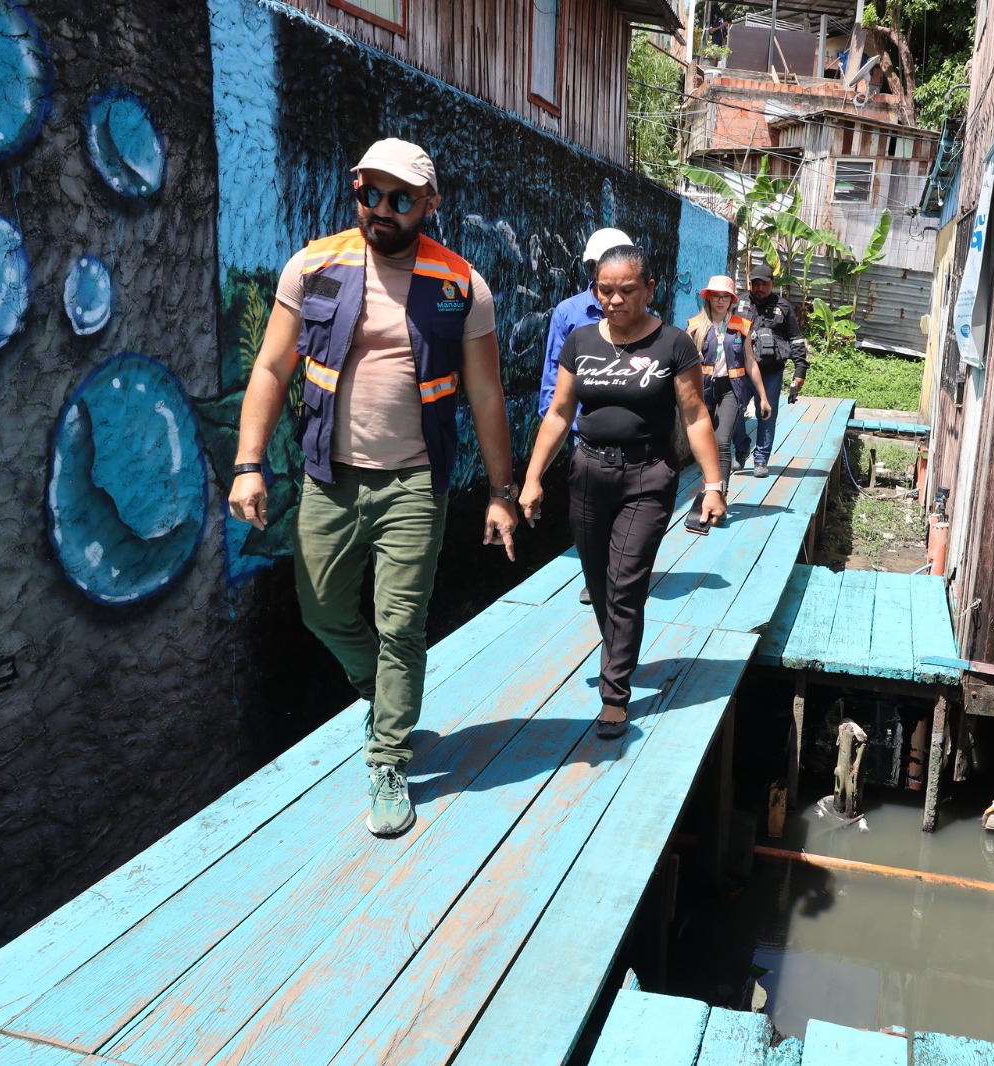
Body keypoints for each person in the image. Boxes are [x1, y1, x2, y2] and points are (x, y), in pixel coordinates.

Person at [229, 137, 519, 838]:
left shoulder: (460, 284)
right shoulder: (313, 266)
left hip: (415, 482)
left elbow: (486, 394)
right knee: (322, 609)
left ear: (430, 204)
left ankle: (389, 756)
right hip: (329, 478)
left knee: (402, 625)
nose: (382, 209)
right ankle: (383, 691)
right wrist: (248, 463)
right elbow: (271, 368)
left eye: (400, 199)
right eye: (371, 193)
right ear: (356, 189)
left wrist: (501, 492)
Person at [520, 245, 725, 738]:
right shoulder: (580, 341)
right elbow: (560, 413)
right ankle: (620, 650)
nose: (615, 300)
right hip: (588, 472)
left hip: (648, 475)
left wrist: (713, 485)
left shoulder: (674, 344)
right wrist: (531, 478)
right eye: (605, 290)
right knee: (598, 583)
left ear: (649, 289)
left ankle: (614, 695)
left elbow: (695, 414)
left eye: (627, 290)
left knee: (624, 584)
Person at [539, 227, 634, 607]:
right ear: (592, 268)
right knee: (589, 507)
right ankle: (594, 573)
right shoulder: (569, 313)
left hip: (625, 426)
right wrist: (554, 420)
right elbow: (552, 371)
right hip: (582, 429)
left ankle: (618, 571)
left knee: (624, 503)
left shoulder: (636, 312)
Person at [687, 275, 770, 492]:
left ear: (732, 300)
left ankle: (720, 495)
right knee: (705, 444)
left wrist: (763, 397)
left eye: (726, 297)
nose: (721, 301)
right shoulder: (694, 326)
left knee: (723, 442)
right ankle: (709, 488)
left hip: (731, 390)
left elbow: (750, 362)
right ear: (708, 298)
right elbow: (682, 361)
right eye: (716, 296)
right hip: (703, 390)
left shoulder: (742, 326)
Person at [737, 261, 808, 477]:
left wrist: (800, 370)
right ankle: (741, 448)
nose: (759, 288)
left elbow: (796, 339)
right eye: (755, 284)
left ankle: (761, 459)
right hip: (741, 370)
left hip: (771, 371)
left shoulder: (783, 307)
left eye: (764, 284)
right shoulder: (738, 304)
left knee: (766, 414)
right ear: (750, 284)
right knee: (733, 410)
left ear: (772, 284)